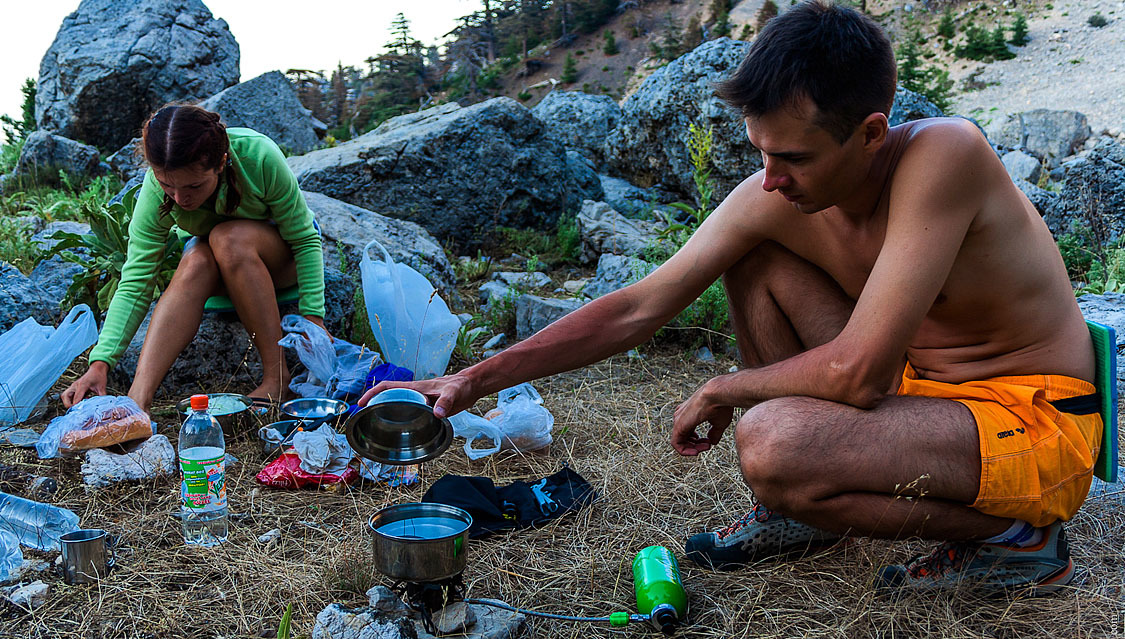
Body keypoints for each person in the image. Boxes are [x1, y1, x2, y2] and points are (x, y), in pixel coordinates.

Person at [361, 1, 1102, 594]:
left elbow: (858, 375)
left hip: (1030, 415)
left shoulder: (946, 154)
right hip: (926, 400)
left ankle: (1016, 539)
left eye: (794, 157)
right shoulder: (779, 191)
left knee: (772, 439)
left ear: (871, 133)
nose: (770, 178)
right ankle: (803, 513)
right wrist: (474, 378)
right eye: (760, 152)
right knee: (754, 258)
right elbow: (637, 306)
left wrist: (726, 388)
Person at [62, 104, 327, 414]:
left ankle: (276, 379)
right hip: (220, 266)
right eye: (167, 185)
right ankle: (136, 403)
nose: (179, 199)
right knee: (196, 257)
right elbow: (137, 278)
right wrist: (101, 361)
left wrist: (313, 318)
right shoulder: (157, 190)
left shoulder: (259, 156)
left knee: (225, 238)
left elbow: (305, 240)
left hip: (280, 260)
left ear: (220, 162)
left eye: (193, 186)